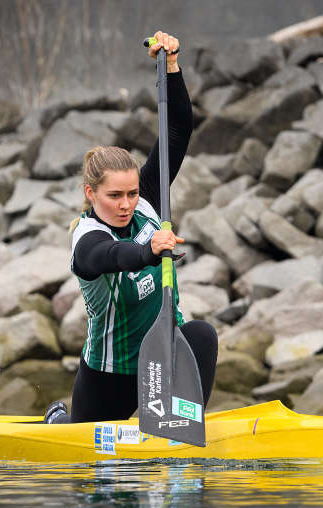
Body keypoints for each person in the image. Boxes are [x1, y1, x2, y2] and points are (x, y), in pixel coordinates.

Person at [45, 30, 218, 424]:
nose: (126, 204)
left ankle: (185, 423)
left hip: (163, 359)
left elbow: (177, 132)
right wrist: (149, 250)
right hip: (110, 375)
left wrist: (171, 68)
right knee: (90, 463)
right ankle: (58, 420)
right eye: (114, 196)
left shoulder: (147, 201)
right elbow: (109, 256)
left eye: (132, 193)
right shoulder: (86, 238)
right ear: (91, 193)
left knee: (202, 334)